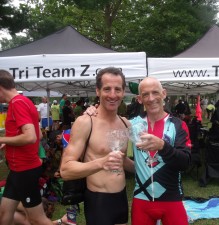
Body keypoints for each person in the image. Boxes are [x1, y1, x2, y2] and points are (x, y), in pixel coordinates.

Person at [60, 67, 134, 225]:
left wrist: (148, 168)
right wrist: (101, 162)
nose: (113, 95)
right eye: (107, 89)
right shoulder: (86, 122)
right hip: (98, 200)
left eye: (118, 89)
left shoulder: (125, 124)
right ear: (98, 91)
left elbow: (123, 160)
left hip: (121, 198)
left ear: (123, 92)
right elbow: (65, 170)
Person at [130, 77, 191, 225]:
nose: (151, 99)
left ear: (164, 93)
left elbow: (185, 162)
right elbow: (108, 120)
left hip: (171, 199)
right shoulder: (131, 125)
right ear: (139, 99)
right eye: (145, 94)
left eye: (155, 92)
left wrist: (163, 146)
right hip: (141, 199)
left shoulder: (178, 125)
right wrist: (92, 111)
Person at [0, 69, 53, 225]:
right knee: (4, 214)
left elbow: (30, 137)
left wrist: (1, 139)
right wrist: (8, 141)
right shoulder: (25, 101)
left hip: (25, 169)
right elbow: (39, 135)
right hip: (18, 169)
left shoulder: (17, 103)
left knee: (37, 219)